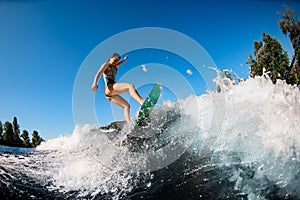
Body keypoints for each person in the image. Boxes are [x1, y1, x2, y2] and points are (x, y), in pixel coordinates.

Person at [91, 53, 144, 123]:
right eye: (115, 60)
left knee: (126, 106)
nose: (116, 62)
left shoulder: (115, 66)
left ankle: (129, 125)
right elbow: (99, 73)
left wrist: (124, 60)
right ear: (111, 57)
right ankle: (142, 101)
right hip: (109, 87)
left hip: (109, 95)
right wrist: (94, 83)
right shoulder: (106, 65)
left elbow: (118, 64)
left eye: (117, 60)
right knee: (130, 86)